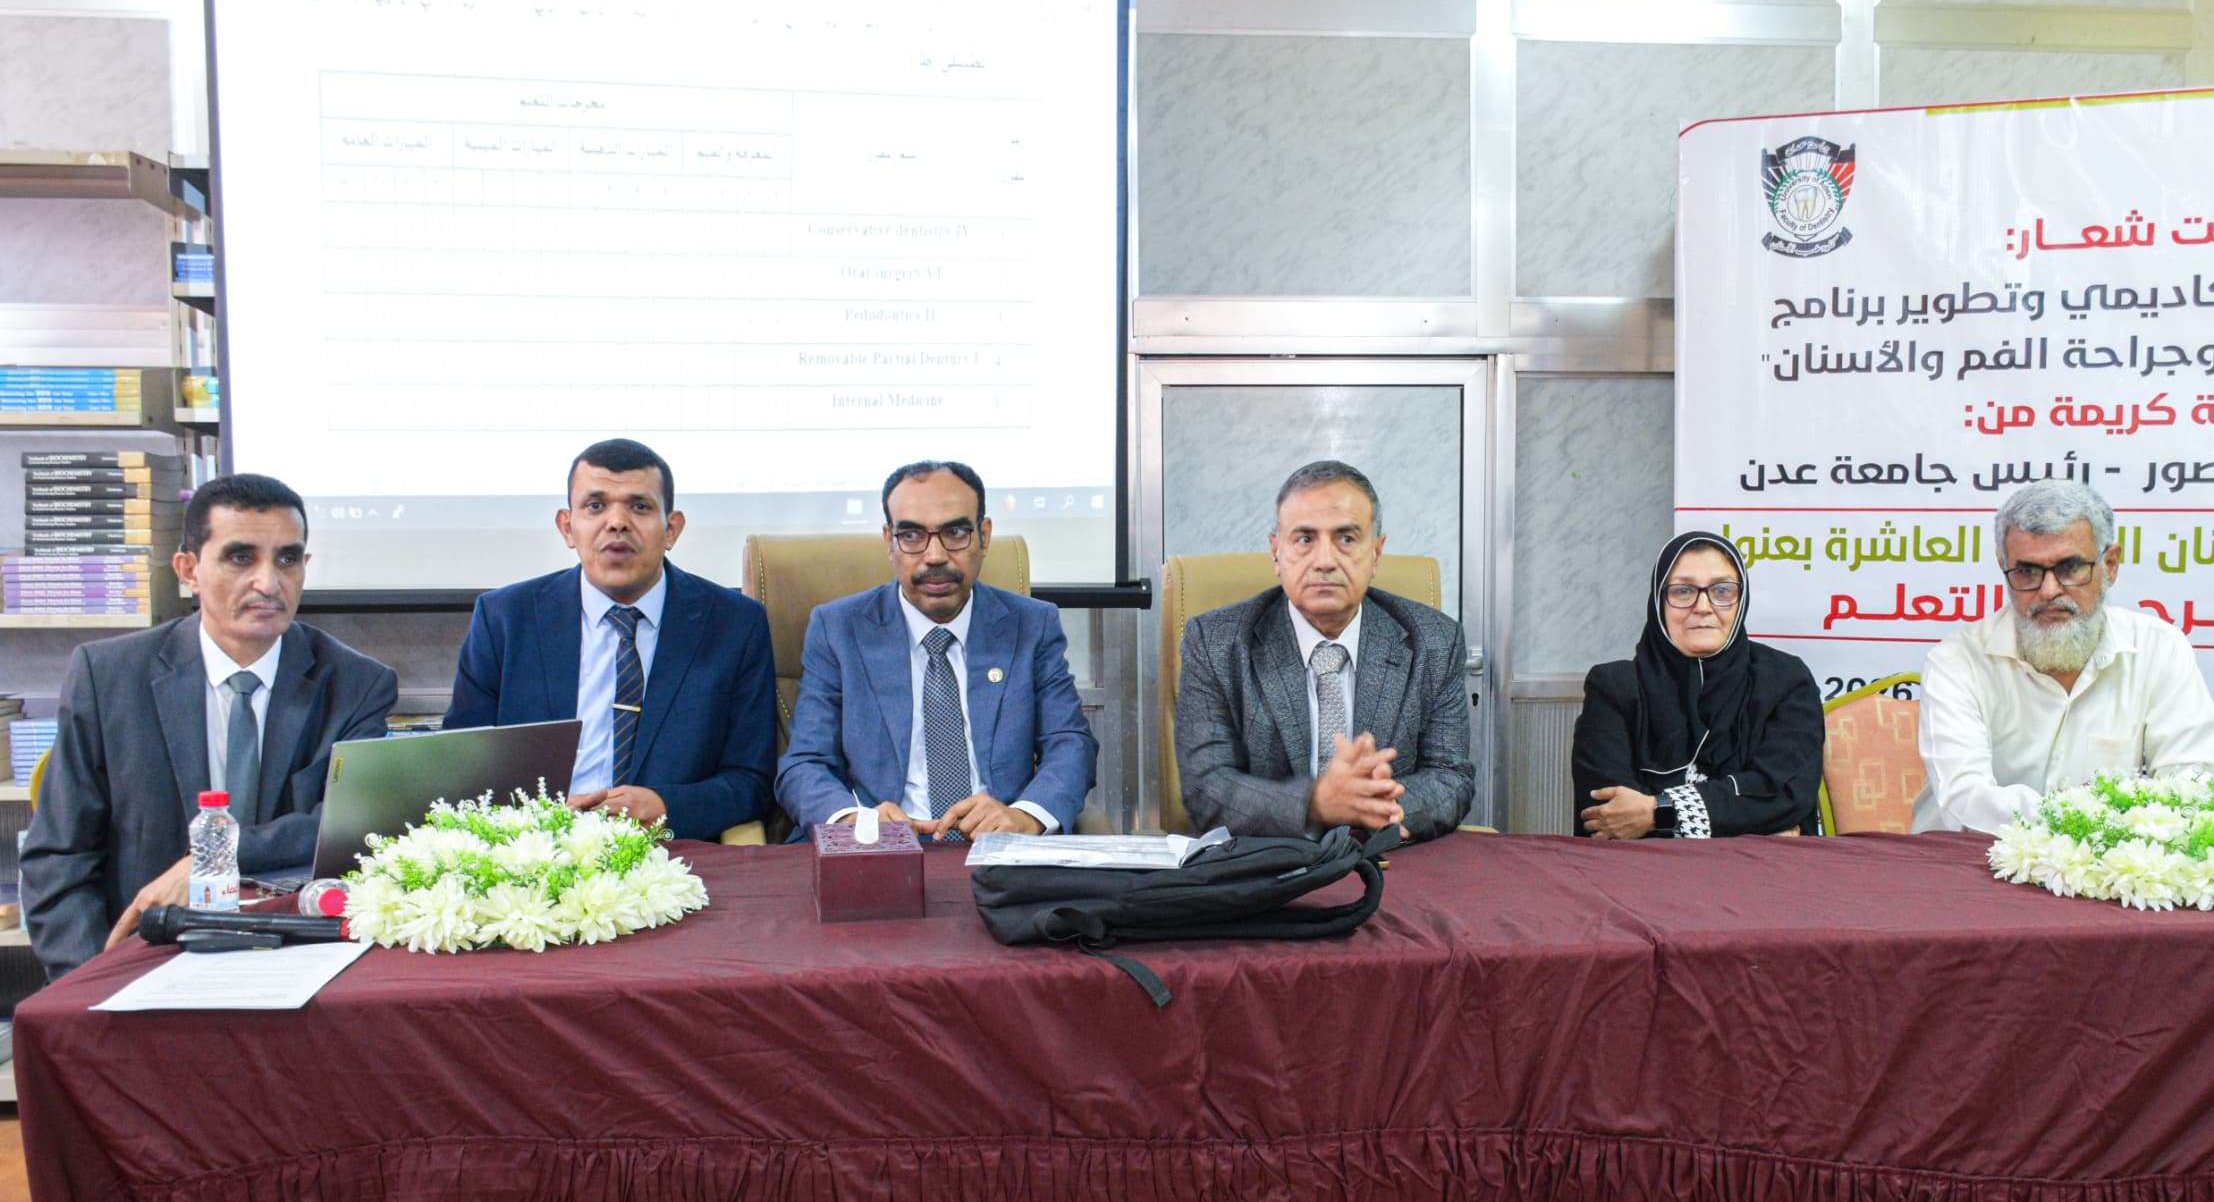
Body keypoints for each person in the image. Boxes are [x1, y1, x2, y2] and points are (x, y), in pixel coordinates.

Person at [21, 474, 398, 974]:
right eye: (241, 557)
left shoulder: (357, 684)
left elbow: (347, 828)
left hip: (299, 958)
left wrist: (214, 858)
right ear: (189, 570)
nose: (269, 583)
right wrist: (91, 982)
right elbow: (59, 856)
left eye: (287, 559)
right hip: (143, 958)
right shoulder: (107, 675)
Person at [444, 438, 776, 840]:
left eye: (640, 507)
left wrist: (667, 806)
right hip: (532, 849)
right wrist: (538, 815)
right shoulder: (506, 619)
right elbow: (458, 770)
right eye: (595, 506)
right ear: (567, 527)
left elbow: (752, 780)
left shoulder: (734, 624)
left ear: (671, 529)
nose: (617, 522)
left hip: (672, 852)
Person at [777, 459, 1096, 838]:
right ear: (889, 541)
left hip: (1000, 846)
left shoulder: (1031, 625)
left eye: (956, 532)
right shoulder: (839, 629)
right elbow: (805, 763)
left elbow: (1070, 743)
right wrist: (857, 822)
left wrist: (1026, 816)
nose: (935, 556)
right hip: (880, 850)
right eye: (911, 536)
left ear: (984, 536)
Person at [1175, 460, 1475, 841]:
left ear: (1376, 553)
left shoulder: (1434, 642)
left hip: (1385, 858)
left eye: (1346, 539)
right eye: (1304, 539)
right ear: (1276, 552)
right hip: (1269, 861)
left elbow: (1451, 776)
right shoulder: (1215, 644)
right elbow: (1206, 788)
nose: (1325, 561)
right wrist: (1316, 803)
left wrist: (1385, 805)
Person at [1914, 479, 2214, 832]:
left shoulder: (2159, 648)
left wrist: (2093, 832)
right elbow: (1966, 801)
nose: (2049, 590)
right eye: (2027, 571)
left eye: (2069, 568)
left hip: (2110, 861)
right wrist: (2101, 819)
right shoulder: (1957, 661)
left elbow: (2202, 783)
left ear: (2110, 565)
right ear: (2004, 567)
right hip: (1965, 858)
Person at [1573, 531, 1822, 839]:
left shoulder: (1786, 680)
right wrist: (1748, 823)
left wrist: (1657, 812)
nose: (1703, 606)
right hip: (1642, 868)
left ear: (1741, 600)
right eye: (1682, 591)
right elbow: (1609, 817)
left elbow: (1786, 796)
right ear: (1658, 601)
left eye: (1722, 590)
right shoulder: (1614, 688)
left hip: (1765, 867)